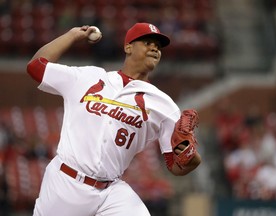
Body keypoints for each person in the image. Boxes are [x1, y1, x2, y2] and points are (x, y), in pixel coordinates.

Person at [26, 22, 201, 216]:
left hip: (111, 190)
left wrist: (191, 158)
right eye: (147, 42)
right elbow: (36, 66)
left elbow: (176, 166)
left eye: (158, 47)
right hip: (66, 182)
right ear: (128, 47)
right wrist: (72, 36)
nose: (155, 48)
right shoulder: (89, 77)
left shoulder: (164, 105)